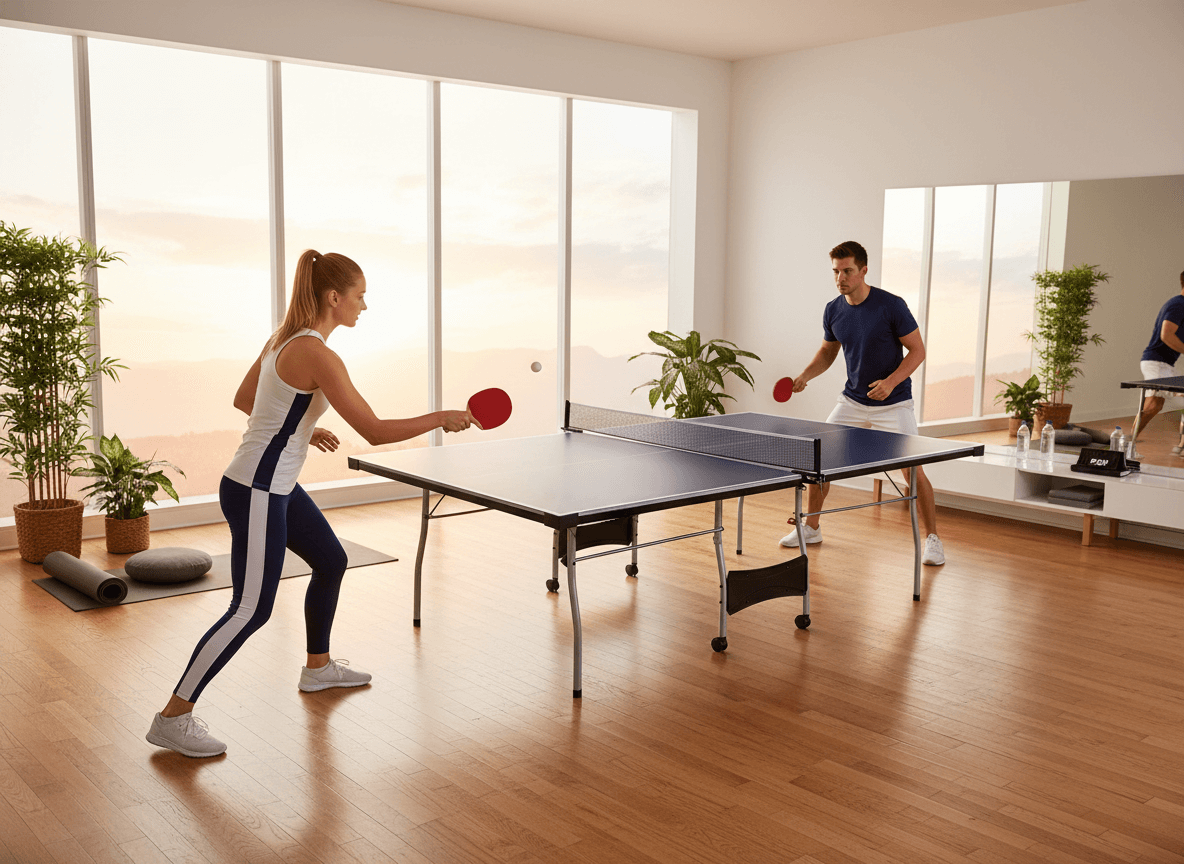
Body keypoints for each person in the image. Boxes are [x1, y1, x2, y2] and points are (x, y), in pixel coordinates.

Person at [147, 250, 472, 758]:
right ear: (333, 297)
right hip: (257, 490)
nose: (365, 306)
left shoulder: (282, 337)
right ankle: (173, 716)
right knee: (250, 609)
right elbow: (374, 430)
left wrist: (302, 421)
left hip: (271, 485)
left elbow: (245, 399)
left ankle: (318, 668)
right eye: (360, 296)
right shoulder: (319, 353)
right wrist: (441, 417)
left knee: (331, 560)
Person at [781, 240, 945, 566]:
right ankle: (811, 528)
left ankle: (933, 540)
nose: (841, 278)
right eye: (836, 272)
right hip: (853, 401)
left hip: (894, 404)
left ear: (863, 270)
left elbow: (918, 351)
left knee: (912, 471)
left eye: (848, 271)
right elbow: (828, 352)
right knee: (817, 463)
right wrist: (804, 377)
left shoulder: (891, 306)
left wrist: (891, 382)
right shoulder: (834, 309)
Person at [1130, 270, 1184, 455]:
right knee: (1152, 405)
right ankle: (1128, 447)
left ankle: (1180, 446)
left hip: (1163, 364)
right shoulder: (1178, 305)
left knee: (1154, 405)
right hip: (1157, 362)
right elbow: (1166, 334)